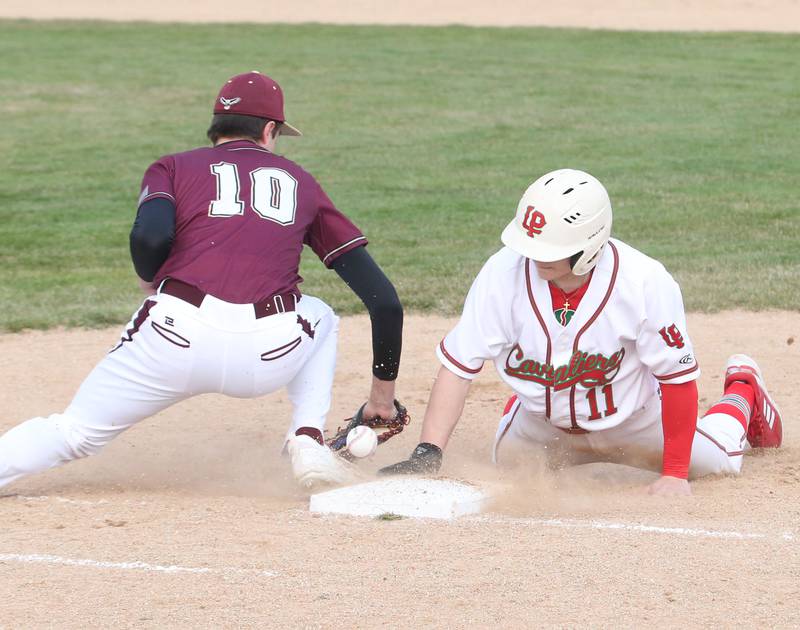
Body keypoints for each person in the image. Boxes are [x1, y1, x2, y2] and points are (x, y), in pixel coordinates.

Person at [0, 71, 403, 491]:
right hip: (267, 354)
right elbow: (385, 302)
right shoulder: (300, 181)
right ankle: (306, 438)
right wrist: (381, 401)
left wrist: (149, 278)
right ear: (269, 130)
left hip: (171, 341)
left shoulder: (172, 167)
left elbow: (150, 236)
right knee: (320, 316)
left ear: (217, 126)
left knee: (73, 432)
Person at [380, 168, 782, 496]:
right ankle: (525, 407)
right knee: (509, 464)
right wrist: (427, 452)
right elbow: (459, 364)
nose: (535, 258)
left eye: (549, 249)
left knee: (718, 463)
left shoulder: (643, 282)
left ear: (589, 244)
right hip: (543, 430)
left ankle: (744, 390)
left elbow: (676, 378)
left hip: (635, 423)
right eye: (530, 245)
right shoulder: (502, 274)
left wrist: (675, 473)